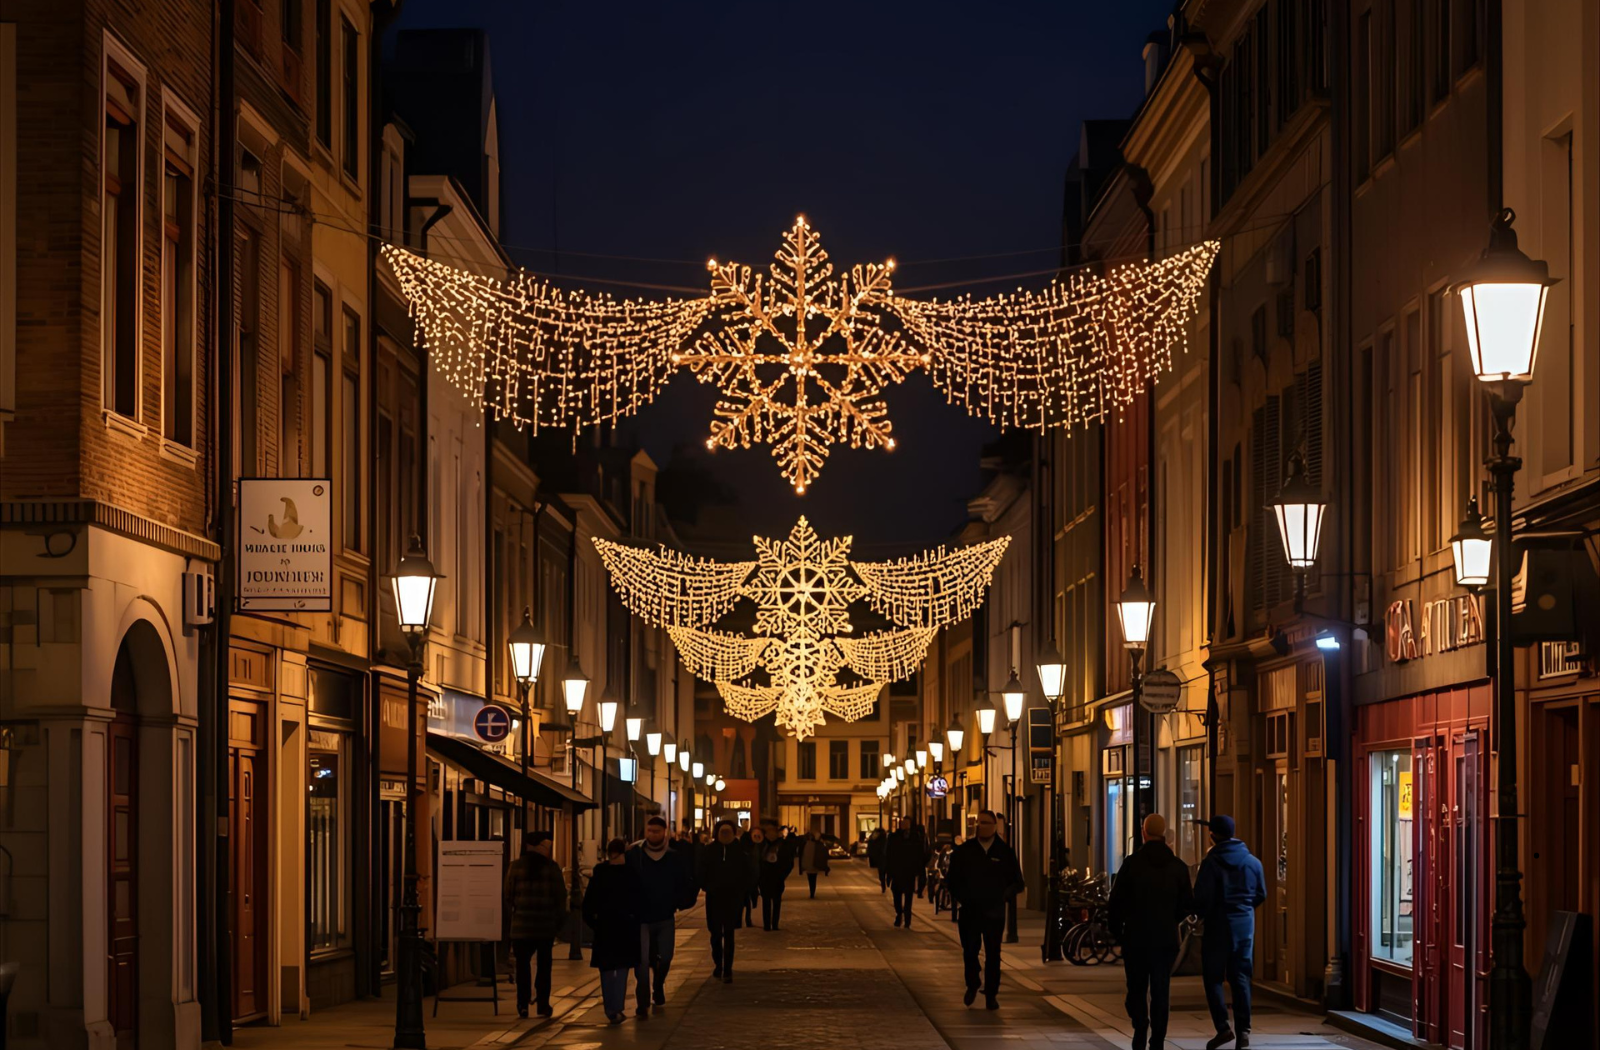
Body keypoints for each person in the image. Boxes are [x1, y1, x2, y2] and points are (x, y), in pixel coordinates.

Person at [1108, 814, 1194, 1050]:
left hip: (1136, 937)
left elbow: (1116, 901)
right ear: (1164, 834)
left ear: (1143, 832)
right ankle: (1157, 1040)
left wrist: (1117, 930)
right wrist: (1172, 919)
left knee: (1136, 987)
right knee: (1160, 989)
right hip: (1165, 937)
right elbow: (1187, 903)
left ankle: (1140, 1024)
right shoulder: (1177, 867)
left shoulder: (1131, 864)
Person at [1193, 815, 1267, 1050]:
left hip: (1217, 927)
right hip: (1244, 928)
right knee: (1241, 978)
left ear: (1212, 835)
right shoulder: (1253, 862)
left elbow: (1201, 898)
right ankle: (1244, 1031)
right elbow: (1261, 894)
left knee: (1213, 978)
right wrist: (1243, 910)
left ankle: (1223, 1027)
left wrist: (1202, 914)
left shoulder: (1210, 863)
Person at [945, 809, 1024, 1010]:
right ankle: (972, 983)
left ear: (994, 826)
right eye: (979, 823)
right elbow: (952, 880)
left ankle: (991, 993)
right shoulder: (965, 851)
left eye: (986, 823)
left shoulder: (1004, 852)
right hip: (970, 911)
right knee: (970, 951)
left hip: (994, 912)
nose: (982, 826)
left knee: (993, 954)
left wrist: (1003, 896)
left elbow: (1017, 882)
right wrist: (963, 897)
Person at [627, 816, 694, 1016]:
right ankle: (642, 1002)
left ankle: (658, 984)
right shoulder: (635, 855)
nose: (653, 834)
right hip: (641, 917)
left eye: (657, 831)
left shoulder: (673, 857)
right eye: (650, 830)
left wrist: (680, 902)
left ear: (664, 832)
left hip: (665, 915)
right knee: (641, 962)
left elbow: (684, 881)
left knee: (665, 957)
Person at [503, 830, 568, 1019]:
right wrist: (558, 923)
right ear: (539, 847)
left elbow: (508, 894)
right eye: (546, 846)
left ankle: (522, 1004)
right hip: (545, 926)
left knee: (522, 966)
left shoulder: (515, 867)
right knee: (544, 967)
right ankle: (542, 1004)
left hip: (521, 926)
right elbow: (560, 897)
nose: (548, 850)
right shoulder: (552, 868)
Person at [582, 838, 642, 1025]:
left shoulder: (600, 873)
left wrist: (595, 924)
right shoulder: (631, 873)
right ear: (623, 853)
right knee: (622, 968)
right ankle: (617, 1007)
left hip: (605, 928)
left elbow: (588, 905)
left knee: (607, 969)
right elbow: (639, 901)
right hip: (626, 928)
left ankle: (610, 1008)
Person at [696, 819, 752, 982]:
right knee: (715, 933)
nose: (726, 834)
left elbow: (747, 872)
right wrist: (706, 885)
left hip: (733, 898)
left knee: (729, 933)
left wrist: (743, 890)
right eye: (723, 832)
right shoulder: (709, 850)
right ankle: (718, 963)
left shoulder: (740, 851)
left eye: (728, 832)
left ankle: (727, 968)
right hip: (714, 897)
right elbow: (701, 870)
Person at [884, 816, 927, 927]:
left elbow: (920, 855)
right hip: (897, 871)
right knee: (896, 895)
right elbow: (889, 855)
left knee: (908, 896)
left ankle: (907, 919)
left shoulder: (915, 837)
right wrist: (888, 873)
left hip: (909, 872)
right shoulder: (894, 837)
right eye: (904, 823)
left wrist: (919, 871)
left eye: (907, 823)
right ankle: (899, 913)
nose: (905, 825)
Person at [756, 823, 793, 929]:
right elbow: (756, 861)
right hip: (765, 878)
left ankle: (775, 924)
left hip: (778, 878)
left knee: (776, 902)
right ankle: (767, 924)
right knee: (766, 902)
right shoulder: (762, 845)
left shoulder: (783, 845)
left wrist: (783, 875)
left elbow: (789, 862)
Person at [799, 829, 830, 898]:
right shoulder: (817, 845)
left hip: (808, 865)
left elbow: (803, 855)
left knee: (810, 879)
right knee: (813, 879)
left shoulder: (806, 844)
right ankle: (812, 892)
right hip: (814, 865)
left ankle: (812, 892)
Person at [744, 826, 765, 924]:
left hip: (757, 875)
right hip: (747, 875)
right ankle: (747, 918)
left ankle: (748, 916)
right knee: (747, 898)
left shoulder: (762, 846)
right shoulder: (746, 845)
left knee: (752, 897)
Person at [866, 827, 888, 892]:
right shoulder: (885, 839)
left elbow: (871, 848)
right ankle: (884, 883)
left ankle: (883, 884)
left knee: (882, 873)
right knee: (883, 872)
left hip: (881, 859)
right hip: (884, 858)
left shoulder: (876, 840)